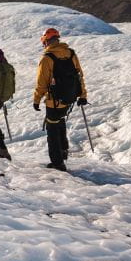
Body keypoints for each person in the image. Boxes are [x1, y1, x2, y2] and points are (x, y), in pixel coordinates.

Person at [33, 27, 88, 171]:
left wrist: (36, 99)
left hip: (54, 99)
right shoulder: (71, 53)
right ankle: (63, 151)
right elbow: (79, 75)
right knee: (60, 121)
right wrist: (82, 95)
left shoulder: (47, 58)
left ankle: (57, 163)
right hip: (69, 97)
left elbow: (42, 82)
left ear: (46, 41)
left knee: (52, 128)